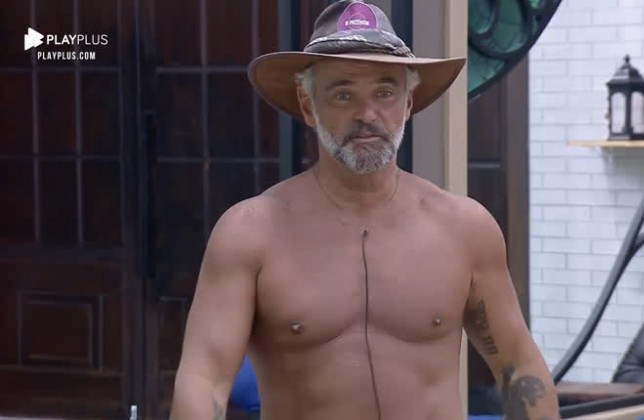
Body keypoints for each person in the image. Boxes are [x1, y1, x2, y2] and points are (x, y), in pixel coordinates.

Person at [170, 1, 560, 419]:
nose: (367, 114)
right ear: (308, 105)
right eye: (343, 94)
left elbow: (519, 366)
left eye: (385, 92)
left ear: (407, 103)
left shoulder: (465, 228)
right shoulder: (251, 233)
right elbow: (204, 380)